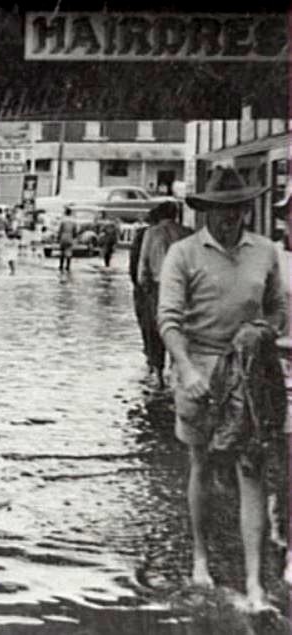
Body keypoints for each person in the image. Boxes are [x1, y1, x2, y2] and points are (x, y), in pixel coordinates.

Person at [157, 166, 286, 610]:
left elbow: (277, 310)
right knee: (202, 462)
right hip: (200, 367)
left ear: (248, 209)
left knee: (251, 468)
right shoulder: (183, 254)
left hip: (249, 371)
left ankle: (254, 583)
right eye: (222, 211)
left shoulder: (266, 251)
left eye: (239, 211)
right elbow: (168, 320)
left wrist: (262, 332)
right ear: (206, 211)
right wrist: (186, 369)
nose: (232, 219)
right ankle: (200, 558)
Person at [138, 201, 192, 386]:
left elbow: (142, 267)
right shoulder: (187, 233)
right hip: (185, 288)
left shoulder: (151, 233)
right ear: (176, 215)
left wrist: (145, 289)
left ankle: (159, 376)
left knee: (156, 330)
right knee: (181, 329)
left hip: (158, 287)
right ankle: (178, 370)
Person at [130, 207, 161, 364]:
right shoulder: (184, 232)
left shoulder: (144, 234)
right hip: (172, 287)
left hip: (149, 288)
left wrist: (138, 285)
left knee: (149, 325)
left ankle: (153, 362)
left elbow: (135, 263)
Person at [56, 206, 78, 272]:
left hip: (63, 236)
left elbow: (60, 230)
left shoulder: (63, 220)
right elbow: (75, 232)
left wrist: (58, 237)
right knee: (69, 252)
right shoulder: (73, 221)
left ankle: (61, 265)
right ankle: (68, 266)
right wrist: (74, 237)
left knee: (62, 252)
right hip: (70, 236)